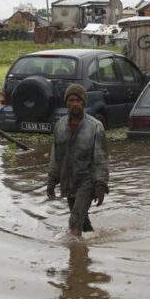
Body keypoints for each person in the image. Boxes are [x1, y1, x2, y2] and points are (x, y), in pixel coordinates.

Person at [47, 84, 109, 240]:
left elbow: (100, 159)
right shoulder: (60, 126)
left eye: (78, 100)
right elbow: (56, 156)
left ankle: (74, 261)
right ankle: (89, 250)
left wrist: (100, 185)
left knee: (74, 221)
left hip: (87, 181)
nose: (74, 104)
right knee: (82, 222)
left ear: (84, 103)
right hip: (68, 181)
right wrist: (52, 180)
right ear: (66, 103)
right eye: (71, 100)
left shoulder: (96, 127)